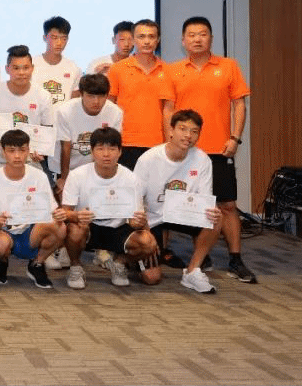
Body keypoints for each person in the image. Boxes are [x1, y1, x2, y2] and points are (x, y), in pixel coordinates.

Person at [161, 16, 254, 283]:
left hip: (219, 149)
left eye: (202, 34)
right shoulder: (173, 70)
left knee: (227, 204)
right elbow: (168, 108)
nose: (197, 39)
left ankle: (235, 259)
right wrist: (170, 141)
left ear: (211, 39)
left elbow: (239, 104)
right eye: (191, 35)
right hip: (185, 150)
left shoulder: (228, 66)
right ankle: (203, 255)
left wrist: (235, 138)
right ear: (183, 40)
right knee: (193, 201)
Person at [134, 110, 224, 293]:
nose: (188, 135)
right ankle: (129, 257)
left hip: (183, 214)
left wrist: (211, 210)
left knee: (216, 217)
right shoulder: (148, 159)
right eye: (183, 129)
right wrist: (145, 231)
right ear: (171, 131)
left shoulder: (203, 160)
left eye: (194, 131)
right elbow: (135, 201)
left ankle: (193, 271)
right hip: (153, 219)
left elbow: (204, 199)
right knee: (152, 278)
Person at [60, 127, 157, 289]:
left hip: (118, 228)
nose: (106, 154)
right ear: (92, 152)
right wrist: (77, 216)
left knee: (148, 243)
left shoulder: (131, 178)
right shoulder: (77, 175)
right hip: (89, 226)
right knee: (74, 229)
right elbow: (65, 212)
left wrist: (138, 222)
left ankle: (119, 263)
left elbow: (135, 219)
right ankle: (75, 266)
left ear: (120, 152)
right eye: (100, 149)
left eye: (112, 149)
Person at [0, 129, 67, 289]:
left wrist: (59, 214)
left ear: (28, 151)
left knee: (60, 227)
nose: (17, 156)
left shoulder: (39, 176)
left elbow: (51, 210)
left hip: (31, 230)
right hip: (4, 231)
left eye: (22, 150)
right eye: (11, 151)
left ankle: (37, 264)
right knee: (0, 243)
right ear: (3, 152)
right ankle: (1, 262)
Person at [107, 19, 169, 171]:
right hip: (125, 142)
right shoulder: (117, 69)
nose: (147, 41)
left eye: (151, 36)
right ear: (133, 40)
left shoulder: (168, 71)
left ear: (158, 40)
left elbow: (169, 110)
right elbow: (108, 107)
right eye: (141, 37)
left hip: (158, 144)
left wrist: (169, 142)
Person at [0, 45, 53, 176]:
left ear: (32, 68)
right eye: (16, 68)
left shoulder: (43, 96)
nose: (21, 73)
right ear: (7, 69)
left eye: (26, 68)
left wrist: (42, 151)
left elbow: (47, 129)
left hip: (29, 160)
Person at [56, 73, 124, 191]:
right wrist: (64, 179)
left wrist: (99, 177)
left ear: (107, 95)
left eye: (101, 96)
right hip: (67, 166)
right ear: (81, 94)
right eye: (91, 96)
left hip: (96, 168)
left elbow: (110, 147)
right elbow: (65, 147)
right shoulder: (65, 111)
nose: (96, 101)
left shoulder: (115, 112)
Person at [32, 16, 83, 105]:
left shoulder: (73, 68)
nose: (59, 43)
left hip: (63, 114)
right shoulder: (31, 64)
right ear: (45, 37)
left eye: (64, 38)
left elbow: (75, 100)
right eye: (54, 38)